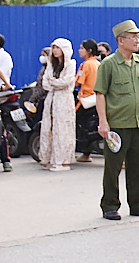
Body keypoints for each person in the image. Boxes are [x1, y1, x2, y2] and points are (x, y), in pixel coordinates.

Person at [95, 20, 139, 220]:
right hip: (117, 126)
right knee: (113, 168)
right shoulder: (108, 64)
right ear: (121, 40)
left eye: (138, 37)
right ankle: (110, 205)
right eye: (133, 37)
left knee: (138, 166)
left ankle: (137, 203)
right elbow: (100, 94)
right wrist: (103, 122)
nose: (138, 40)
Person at [39, 38, 77, 171]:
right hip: (51, 99)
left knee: (63, 129)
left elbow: (66, 81)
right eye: (54, 47)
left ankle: (63, 160)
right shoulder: (51, 65)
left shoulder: (71, 64)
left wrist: (53, 82)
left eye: (58, 48)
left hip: (64, 99)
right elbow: (45, 83)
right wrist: (54, 83)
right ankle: (49, 157)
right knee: (49, 127)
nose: (55, 50)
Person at [75, 39, 101, 163]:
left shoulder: (86, 65)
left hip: (85, 100)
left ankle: (84, 151)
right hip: (96, 99)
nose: (79, 50)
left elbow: (77, 82)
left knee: (80, 126)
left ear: (89, 50)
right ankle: (86, 153)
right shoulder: (97, 63)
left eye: (81, 48)